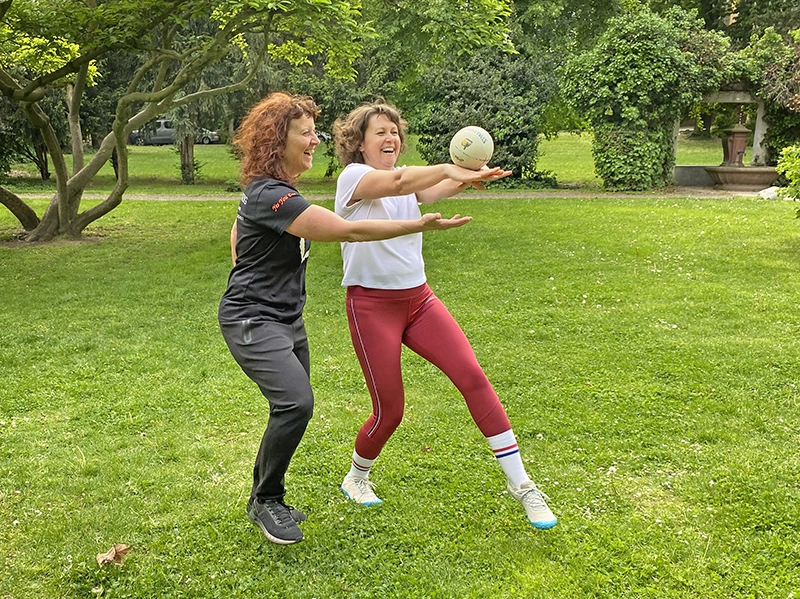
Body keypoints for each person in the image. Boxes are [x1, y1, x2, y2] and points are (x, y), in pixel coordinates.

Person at [218, 92, 496, 545]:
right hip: (253, 319)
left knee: (289, 407)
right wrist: (419, 225)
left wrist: (243, 260)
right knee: (296, 403)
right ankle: (266, 501)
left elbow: (237, 232)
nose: (314, 140)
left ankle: (266, 495)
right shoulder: (272, 195)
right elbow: (347, 230)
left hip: (285, 318)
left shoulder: (274, 191)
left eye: (314, 131)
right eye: (305, 133)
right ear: (277, 139)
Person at [333, 102, 557, 530]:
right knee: (390, 411)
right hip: (371, 306)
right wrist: (447, 169)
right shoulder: (353, 179)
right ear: (358, 143)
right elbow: (399, 182)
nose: (390, 138)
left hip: (419, 301)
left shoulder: (406, 182)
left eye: (394, 131)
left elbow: (426, 189)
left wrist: (466, 177)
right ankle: (356, 477)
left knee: (472, 376)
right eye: (379, 132)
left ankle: (523, 485)